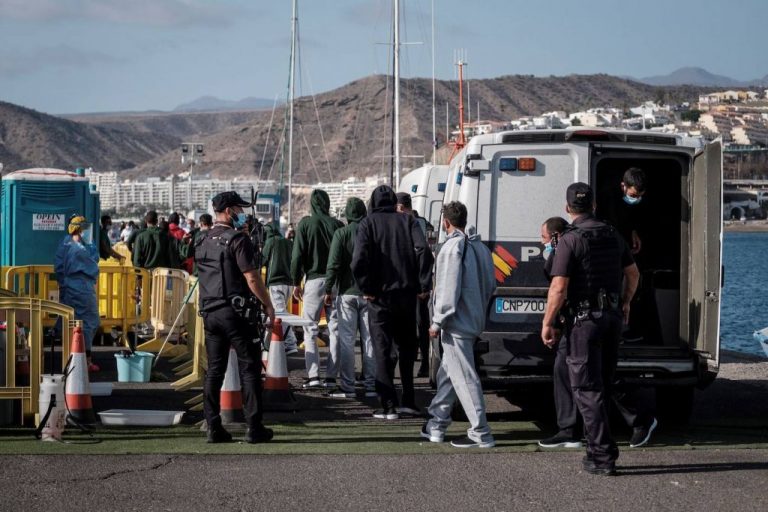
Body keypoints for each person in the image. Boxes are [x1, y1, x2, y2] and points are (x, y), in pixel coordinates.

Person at [541, 182, 640, 476]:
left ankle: (602, 456)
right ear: (594, 205)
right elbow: (633, 274)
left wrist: (548, 322)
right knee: (603, 387)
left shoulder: (570, 240)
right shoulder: (612, 234)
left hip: (584, 322)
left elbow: (559, 287)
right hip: (611, 319)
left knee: (586, 389)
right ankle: (595, 451)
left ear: (568, 208)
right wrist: (625, 303)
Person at [195, 191, 276, 444]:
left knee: (214, 370)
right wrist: (268, 305)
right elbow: (251, 277)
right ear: (229, 211)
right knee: (249, 368)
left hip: (210, 312)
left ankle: (213, 426)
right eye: (239, 210)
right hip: (236, 313)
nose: (243, 214)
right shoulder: (237, 240)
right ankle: (254, 427)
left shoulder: (201, 239)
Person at [351, 185, 433, 420]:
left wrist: (366, 287)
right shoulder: (408, 221)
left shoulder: (368, 224)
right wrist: (423, 284)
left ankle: (388, 406)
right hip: (406, 295)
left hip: (379, 297)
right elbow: (423, 250)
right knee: (407, 349)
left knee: (382, 350)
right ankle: (409, 401)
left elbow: (358, 260)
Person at [422, 201, 497, 448]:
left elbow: (447, 288)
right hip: (473, 319)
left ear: (445, 222)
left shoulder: (452, 247)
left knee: (464, 377)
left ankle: (480, 432)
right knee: (449, 374)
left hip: (456, 323)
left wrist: (437, 321)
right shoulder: (480, 247)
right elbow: (491, 285)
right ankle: (436, 423)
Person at [290, 189, 344, 390]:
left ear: (312, 204)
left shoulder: (305, 224)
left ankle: (313, 376)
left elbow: (297, 256)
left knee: (310, 329)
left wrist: (296, 282)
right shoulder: (337, 225)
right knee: (335, 330)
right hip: (335, 282)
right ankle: (331, 377)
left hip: (313, 281)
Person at [324, 197, 376, 399]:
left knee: (346, 342)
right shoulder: (371, 232)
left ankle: (348, 386)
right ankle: (370, 385)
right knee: (369, 340)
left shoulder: (341, 233)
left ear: (347, 214)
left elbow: (333, 264)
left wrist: (328, 290)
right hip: (369, 294)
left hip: (346, 293)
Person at [54, 216, 101, 372]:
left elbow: (58, 266)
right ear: (80, 229)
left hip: (68, 287)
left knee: (71, 322)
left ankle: (72, 358)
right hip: (82, 287)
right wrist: (91, 246)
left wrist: (64, 284)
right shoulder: (81, 249)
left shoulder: (65, 243)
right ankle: (86, 360)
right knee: (89, 322)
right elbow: (94, 262)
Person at [395, 192, 434, 378]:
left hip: (413, 285)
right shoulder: (423, 223)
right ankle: (423, 361)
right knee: (420, 324)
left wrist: (422, 285)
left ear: (400, 207)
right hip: (418, 284)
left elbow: (424, 251)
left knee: (416, 325)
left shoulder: (409, 223)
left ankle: (422, 362)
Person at [261, 222, 299, 354]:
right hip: (289, 283)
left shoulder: (270, 242)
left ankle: (290, 343)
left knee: (279, 314)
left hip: (275, 282)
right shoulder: (288, 243)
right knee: (279, 313)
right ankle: (267, 343)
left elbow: (262, 261)